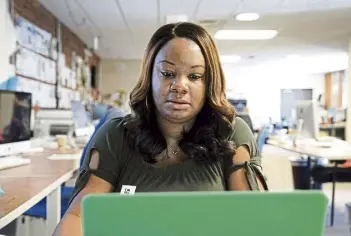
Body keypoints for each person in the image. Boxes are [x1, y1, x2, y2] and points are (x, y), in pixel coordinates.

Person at [54, 22, 268, 236]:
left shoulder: (231, 134)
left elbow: (254, 220)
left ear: (209, 83)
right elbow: (78, 216)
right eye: (167, 73)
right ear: (150, 78)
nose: (179, 86)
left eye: (194, 76)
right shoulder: (116, 135)